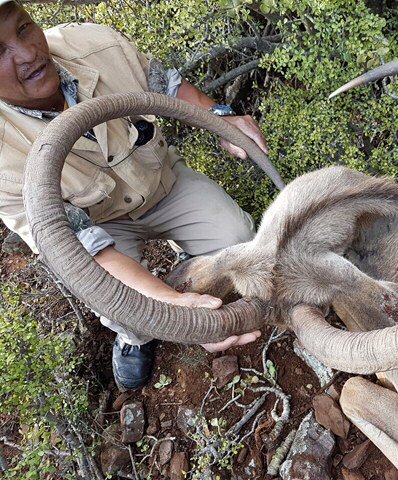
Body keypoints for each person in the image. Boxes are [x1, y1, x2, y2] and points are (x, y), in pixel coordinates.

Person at [0, 0, 263, 390]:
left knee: (241, 242)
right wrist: (167, 307)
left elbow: (167, 85)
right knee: (122, 304)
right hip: (101, 232)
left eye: (23, 28)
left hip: (163, 185)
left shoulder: (93, 43)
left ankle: (193, 267)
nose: (27, 54)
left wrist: (222, 117)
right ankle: (135, 337)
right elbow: (83, 248)